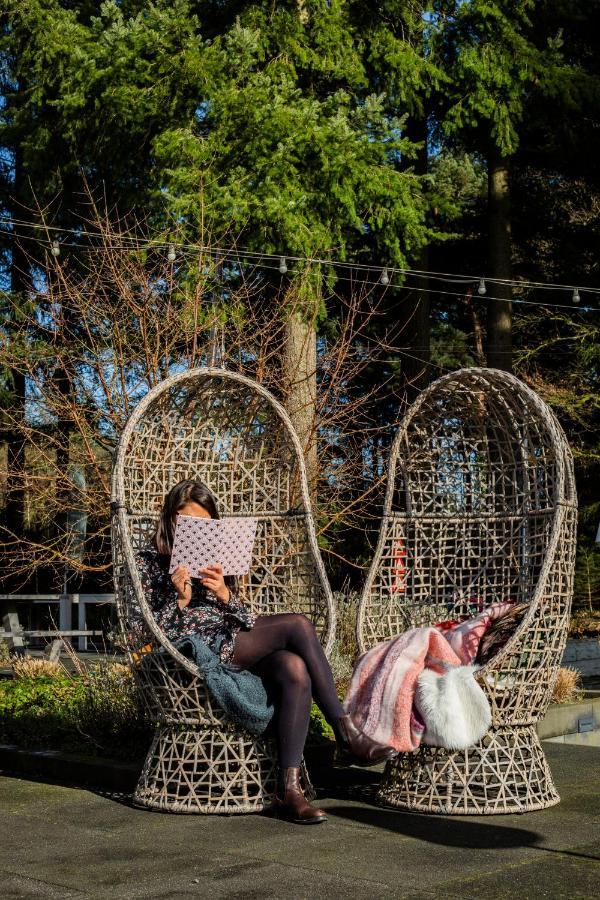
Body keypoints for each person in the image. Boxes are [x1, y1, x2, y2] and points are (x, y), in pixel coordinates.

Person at [136, 479, 397, 825]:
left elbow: (245, 619)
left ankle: (288, 790)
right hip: (197, 650)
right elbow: (151, 633)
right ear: (171, 521)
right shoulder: (148, 562)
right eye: (187, 524)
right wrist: (180, 600)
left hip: (233, 638)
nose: (195, 532)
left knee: (294, 668)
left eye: (205, 525)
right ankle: (346, 733)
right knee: (298, 625)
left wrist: (225, 595)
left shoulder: (219, 560)